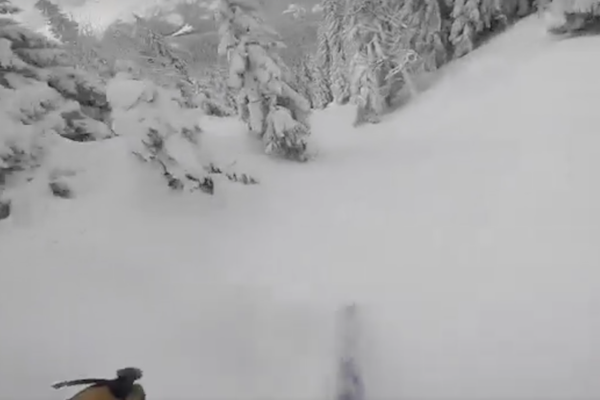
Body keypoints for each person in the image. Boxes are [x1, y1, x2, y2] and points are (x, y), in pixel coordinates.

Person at [52, 367, 145, 400]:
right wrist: (66, 383)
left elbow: (87, 381)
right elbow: (88, 380)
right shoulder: (107, 384)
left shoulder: (107, 384)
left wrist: (66, 383)